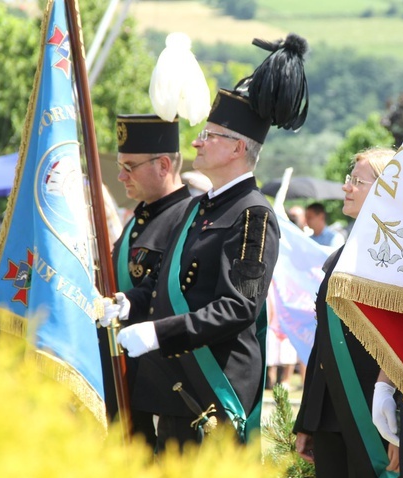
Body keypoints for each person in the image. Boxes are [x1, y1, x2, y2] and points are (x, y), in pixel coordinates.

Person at [100, 33, 309, 451]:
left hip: (212, 386)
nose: (196, 141)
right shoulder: (199, 208)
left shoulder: (253, 214)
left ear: (236, 147)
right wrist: (131, 303)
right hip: (175, 386)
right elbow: (163, 284)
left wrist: (159, 333)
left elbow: (238, 306)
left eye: (209, 135)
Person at [294, 147, 401, 478]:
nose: (347, 187)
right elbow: (324, 342)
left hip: (372, 416)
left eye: (358, 181)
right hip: (331, 414)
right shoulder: (340, 256)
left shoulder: (399, 257)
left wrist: (402, 430)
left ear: (387, 188)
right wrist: (309, 420)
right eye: (348, 179)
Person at [98, 114, 192, 448]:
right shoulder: (142, 216)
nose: (121, 176)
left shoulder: (187, 216)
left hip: (158, 377)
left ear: (164, 164)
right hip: (124, 371)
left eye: (130, 166)